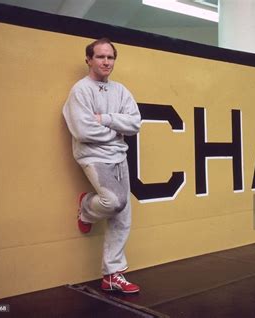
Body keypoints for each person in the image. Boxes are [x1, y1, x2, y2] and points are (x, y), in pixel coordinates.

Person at [62, 38, 141, 293]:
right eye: (100, 57)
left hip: (119, 155)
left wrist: (106, 119)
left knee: (123, 215)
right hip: (93, 156)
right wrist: (116, 130)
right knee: (115, 201)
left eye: (110, 57)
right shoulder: (80, 91)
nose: (106, 62)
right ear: (89, 59)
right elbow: (84, 131)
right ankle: (86, 207)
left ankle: (112, 274)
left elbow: (135, 123)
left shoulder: (121, 90)